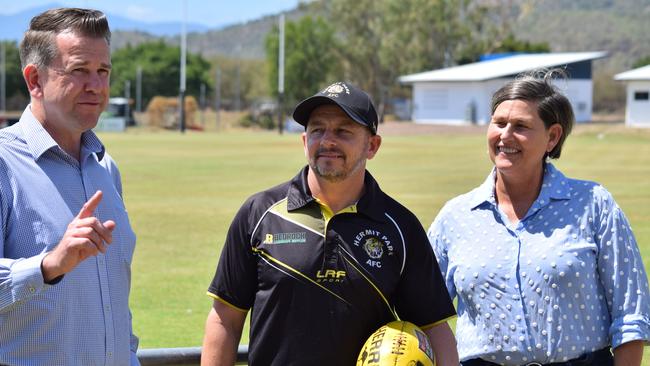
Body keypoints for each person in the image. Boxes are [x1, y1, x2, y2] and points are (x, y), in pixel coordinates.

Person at [202, 81, 458, 366]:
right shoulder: (260, 213)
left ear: (372, 145)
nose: (327, 141)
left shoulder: (400, 226)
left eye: (343, 131)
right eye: (317, 130)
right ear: (304, 141)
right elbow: (225, 319)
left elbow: (434, 328)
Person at [428, 70, 650, 366]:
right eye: (499, 123)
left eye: (521, 126)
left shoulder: (594, 204)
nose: (505, 135)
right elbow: (424, 313)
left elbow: (630, 314)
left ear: (552, 136)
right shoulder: (455, 217)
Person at [0, 8, 139, 365]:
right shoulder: (3, 164)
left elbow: (114, 302)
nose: (96, 86)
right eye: (79, 71)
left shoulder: (105, 168)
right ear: (35, 80)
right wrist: (49, 264)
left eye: (103, 71)